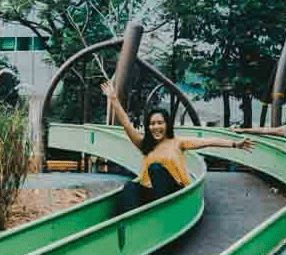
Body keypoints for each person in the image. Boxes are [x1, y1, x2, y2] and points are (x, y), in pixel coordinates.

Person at [101, 81, 253, 215]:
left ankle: (163, 212)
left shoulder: (177, 142)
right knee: (130, 186)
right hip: (154, 193)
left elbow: (208, 141)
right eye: (152, 124)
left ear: (167, 125)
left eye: (160, 123)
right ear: (148, 127)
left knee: (155, 168)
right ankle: (132, 220)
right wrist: (113, 99)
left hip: (174, 191)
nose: (156, 127)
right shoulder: (145, 144)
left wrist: (235, 144)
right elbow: (127, 124)